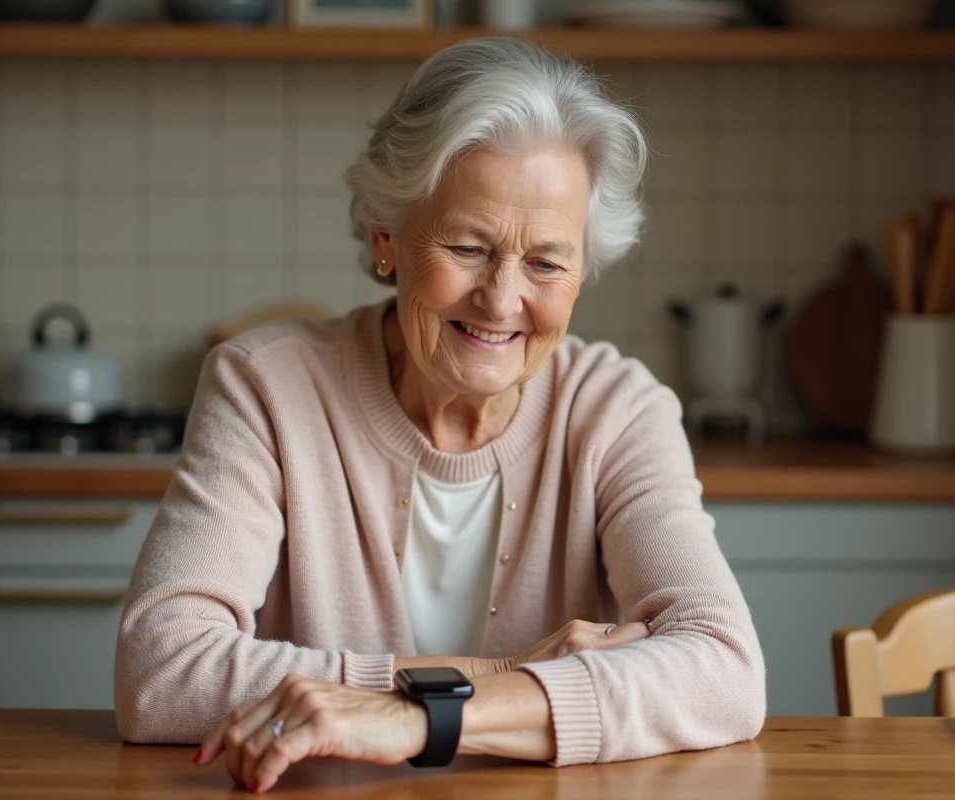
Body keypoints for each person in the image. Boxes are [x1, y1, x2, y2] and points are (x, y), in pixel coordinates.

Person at [115, 36, 765, 794]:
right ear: (388, 237)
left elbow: (725, 670)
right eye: (468, 246)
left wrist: (417, 716)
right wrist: (502, 674)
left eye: (547, 262)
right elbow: (160, 672)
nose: (501, 299)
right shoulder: (266, 386)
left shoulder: (619, 410)